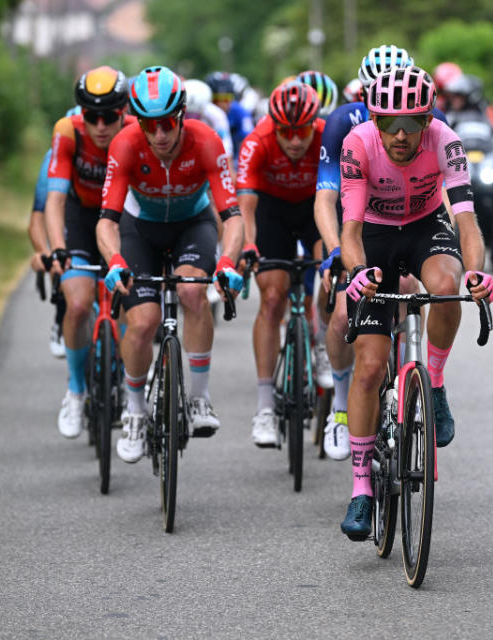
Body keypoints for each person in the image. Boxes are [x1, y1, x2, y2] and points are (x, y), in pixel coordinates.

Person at [337, 65, 493, 539]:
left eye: (412, 122)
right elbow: (349, 232)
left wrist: (475, 273)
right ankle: (362, 488)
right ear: (373, 118)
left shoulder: (446, 140)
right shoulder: (359, 144)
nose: (401, 134)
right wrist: (358, 273)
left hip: (427, 225)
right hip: (375, 233)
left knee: (449, 286)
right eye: (388, 123)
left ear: (429, 119)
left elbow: (466, 222)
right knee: (368, 367)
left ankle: (437, 382)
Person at [97, 65, 245, 463]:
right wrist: (113, 260)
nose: (159, 136)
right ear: (138, 121)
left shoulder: (207, 140)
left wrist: (228, 260)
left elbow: (232, 216)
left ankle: (198, 400)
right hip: (139, 229)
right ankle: (133, 410)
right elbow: (107, 221)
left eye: (166, 124)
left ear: (181, 116)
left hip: (191, 225)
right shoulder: (126, 143)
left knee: (193, 291)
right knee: (142, 322)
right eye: (149, 125)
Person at [313, 44, 448, 461]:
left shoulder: (433, 123)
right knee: (340, 313)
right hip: (358, 223)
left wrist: (446, 242)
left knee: (415, 281)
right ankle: (339, 403)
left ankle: (418, 369)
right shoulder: (343, 122)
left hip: (411, 219)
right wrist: (337, 251)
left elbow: (441, 189)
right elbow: (325, 198)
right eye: (377, 90)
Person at [234, 82, 327, 448]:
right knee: (272, 298)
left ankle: (321, 344)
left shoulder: (327, 137)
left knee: (334, 275)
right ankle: (265, 408)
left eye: (301, 131)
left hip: (315, 209)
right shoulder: (257, 141)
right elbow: (245, 207)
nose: (293, 140)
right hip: (271, 213)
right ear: (274, 127)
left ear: (313, 125)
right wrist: (249, 247)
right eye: (285, 132)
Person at [45, 67, 134, 438]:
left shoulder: (135, 132)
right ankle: (76, 390)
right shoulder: (68, 132)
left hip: (124, 218)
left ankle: (133, 388)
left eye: (109, 116)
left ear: (124, 111)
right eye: (91, 116)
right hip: (82, 218)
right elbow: (54, 200)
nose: (100, 126)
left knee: (133, 302)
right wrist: (58, 249)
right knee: (78, 304)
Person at [28, 146, 66, 358]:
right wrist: (45, 253)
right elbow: (37, 217)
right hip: (68, 219)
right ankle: (61, 319)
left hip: (106, 218)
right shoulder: (56, 157)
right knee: (60, 261)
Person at [207, 71, 254, 168]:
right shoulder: (204, 112)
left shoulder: (240, 112)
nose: (221, 104)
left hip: (235, 158)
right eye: (216, 99)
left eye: (226, 99)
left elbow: (248, 143)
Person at [185, 78, 234, 159]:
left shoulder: (217, 115)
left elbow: (226, 150)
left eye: (196, 114)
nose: (192, 118)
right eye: (187, 114)